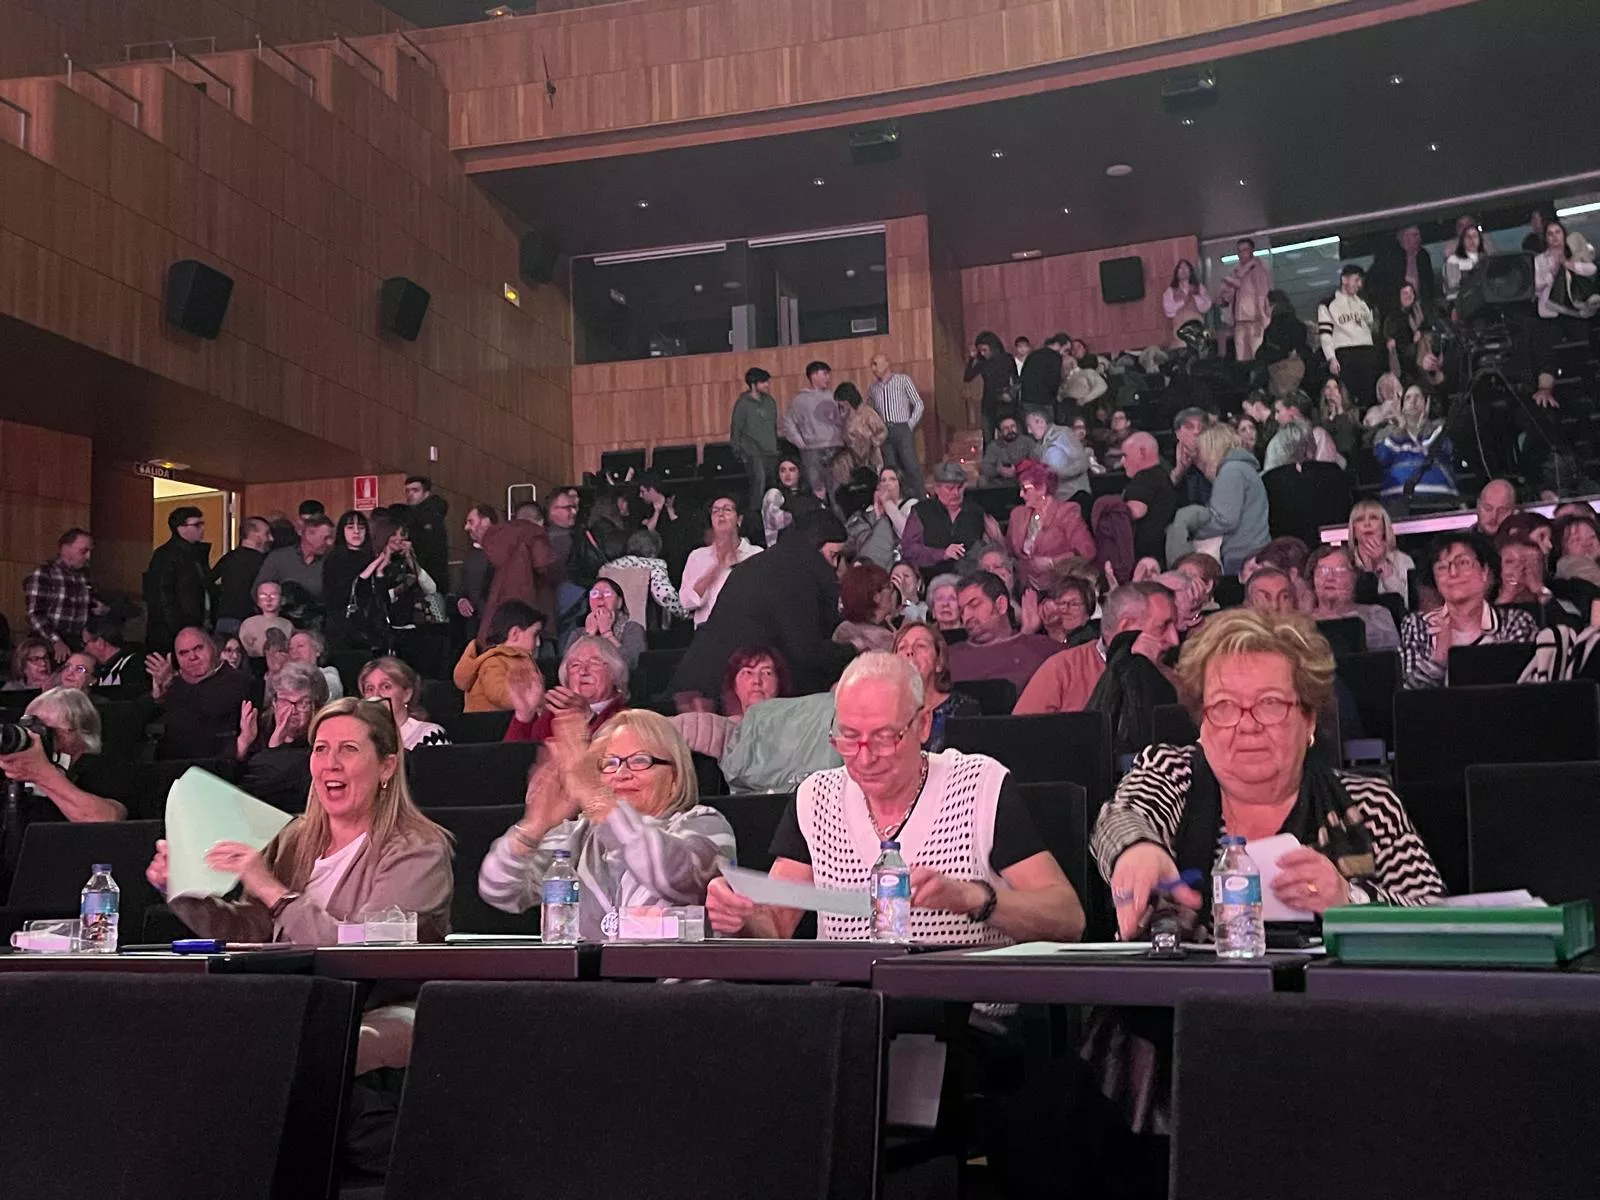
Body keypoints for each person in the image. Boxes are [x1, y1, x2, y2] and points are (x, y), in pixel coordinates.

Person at [1095, 607, 1444, 946]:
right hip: (1181, 998)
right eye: (1224, 706)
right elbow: (1118, 818)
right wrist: (1137, 849)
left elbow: (1436, 923)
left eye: (1271, 704)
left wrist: (1349, 900)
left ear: (1308, 720)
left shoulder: (1369, 803)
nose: (1247, 725)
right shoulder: (1172, 771)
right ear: (1202, 721)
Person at [152, 698, 453, 1064]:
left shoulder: (417, 848)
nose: (331, 764)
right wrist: (182, 889)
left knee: (303, 1044)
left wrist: (276, 894)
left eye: (349, 749)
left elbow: (368, 953)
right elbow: (250, 933)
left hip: (375, 1007)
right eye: (321, 749)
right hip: (287, 998)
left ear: (386, 766)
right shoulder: (294, 838)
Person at [706, 652, 1085, 943]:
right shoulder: (816, 798)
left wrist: (972, 898)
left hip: (959, 1012)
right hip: (848, 1013)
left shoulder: (977, 786)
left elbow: (1068, 917)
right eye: (849, 737)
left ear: (922, 725)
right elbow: (775, 923)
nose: (865, 757)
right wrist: (740, 917)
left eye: (885, 737)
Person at [480, 706, 735, 939]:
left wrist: (596, 799)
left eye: (639, 761)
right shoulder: (577, 834)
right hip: (588, 987)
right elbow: (501, 893)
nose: (622, 774)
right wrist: (534, 826)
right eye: (610, 764)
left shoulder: (705, 824)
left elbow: (672, 876)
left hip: (675, 986)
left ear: (675, 777)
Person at [670, 509, 855, 706]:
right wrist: (853, 650)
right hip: (722, 696)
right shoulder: (795, 576)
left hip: (699, 682)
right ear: (814, 546)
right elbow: (806, 651)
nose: (834, 565)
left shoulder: (763, 564)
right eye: (832, 555)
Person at [1399, 531, 1539, 688]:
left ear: (1485, 572)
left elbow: (1521, 684)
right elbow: (1410, 695)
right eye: (1442, 567)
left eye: (1463, 563)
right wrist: (1440, 654)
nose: (1452, 573)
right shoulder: (1417, 624)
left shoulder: (1515, 622)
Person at [1015, 582, 1178, 715]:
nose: (1174, 640)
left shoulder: (1173, 678)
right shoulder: (1063, 670)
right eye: (1162, 627)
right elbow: (1020, 739)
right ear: (1127, 627)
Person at [0, 687, 125, 825]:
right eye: (29, 728)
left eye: (47, 730)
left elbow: (107, 821)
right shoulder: (13, 769)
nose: (36, 737)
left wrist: (42, 774)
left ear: (82, 734)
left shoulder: (103, 769)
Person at [147, 627, 255, 760]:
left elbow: (208, 706)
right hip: (172, 766)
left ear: (213, 648)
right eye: (183, 653)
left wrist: (172, 685)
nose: (192, 657)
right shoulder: (175, 684)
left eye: (198, 648)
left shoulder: (238, 681)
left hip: (217, 765)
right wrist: (158, 695)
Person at [947, 572, 1063, 695]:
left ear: (1001, 605)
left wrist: (1058, 633)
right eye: (961, 611)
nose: (966, 617)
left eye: (974, 605)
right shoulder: (949, 657)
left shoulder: (1043, 649)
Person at [233, 660, 327, 812]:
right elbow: (235, 783)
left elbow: (263, 787)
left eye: (302, 703)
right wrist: (243, 743)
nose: (292, 711)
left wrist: (275, 747)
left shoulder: (319, 743)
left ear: (317, 707)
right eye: (284, 701)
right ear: (274, 703)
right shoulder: (259, 728)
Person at [506, 635, 629, 743]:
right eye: (575, 665)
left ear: (615, 673)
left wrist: (589, 719)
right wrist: (524, 716)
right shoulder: (550, 716)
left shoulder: (627, 718)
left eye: (594, 663)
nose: (583, 671)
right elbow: (513, 764)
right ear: (566, 679)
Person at [351, 514, 439, 660]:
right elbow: (375, 597)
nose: (399, 539)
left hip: (411, 629)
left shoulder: (406, 562)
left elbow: (431, 589)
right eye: (394, 534)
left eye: (402, 535)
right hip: (382, 633)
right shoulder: (370, 561)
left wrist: (411, 560)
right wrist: (384, 563)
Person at [1192, 423, 1270, 574]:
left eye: (1201, 451)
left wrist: (1193, 529)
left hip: (1242, 555)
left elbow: (1225, 519)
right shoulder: (1244, 468)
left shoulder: (1231, 471)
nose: (1199, 457)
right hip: (1255, 549)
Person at [1006, 460, 1095, 592]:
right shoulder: (1017, 515)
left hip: (1058, 588)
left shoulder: (1066, 513)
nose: (1021, 494)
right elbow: (1010, 553)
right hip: (1023, 588)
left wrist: (1052, 562)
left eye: (1025, 489)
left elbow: (1087, 552)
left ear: (1042, 488)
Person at [1261, 422, 1353, 549]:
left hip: (1287, 551)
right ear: (1311, 445)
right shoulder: (1335, 473)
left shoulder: (1270, 480)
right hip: (1333, 546)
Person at [891, 621, 980, 752]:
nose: (909, 651)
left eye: (920, 646)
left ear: (939, 662)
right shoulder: (884, 710)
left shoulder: (964, 710)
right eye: (902, 647)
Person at [900, 462, 1003, 573]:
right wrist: (942, 554)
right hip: (932, 577)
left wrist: (997, 538)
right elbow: (908, 549)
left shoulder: (975, 512)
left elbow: (990, 549)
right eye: (949, 488)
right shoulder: (921, 511)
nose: (955, 493)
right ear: (936, 488)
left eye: (960, 487)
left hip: (969, 577)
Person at [477, 504, 557, 645]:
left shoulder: (497, 538)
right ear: (540, 522)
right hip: (530, 611)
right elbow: (545, 566)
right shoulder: (535, 535)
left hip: (497, 613)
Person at [680, 494, 762, 628]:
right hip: (708, 631)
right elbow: (686, 602)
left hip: (747, 629)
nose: (720, 514)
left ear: (739, 519)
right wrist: (717, 568)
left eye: (727, 509)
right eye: (715, 511)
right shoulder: (697, 556)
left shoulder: (756, 554)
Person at [24, 528, 102, 661]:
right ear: (66, 549)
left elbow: (87, 608)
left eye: (89, 551)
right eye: (83, 551)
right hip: (48, 643)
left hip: (77, 642)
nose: (88, 557)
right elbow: (35, 614)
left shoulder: (85, 576)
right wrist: (56, 641)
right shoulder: (45, 573)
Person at [1375, 385, 1457, 510]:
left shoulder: (1439, 427)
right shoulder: (1386, 433)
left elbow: (1444, 450)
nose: (1413, 401)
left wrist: (1425, 429)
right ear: (1401, 407)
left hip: (1439, 498)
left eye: (1418, 397)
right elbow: (1382, 457)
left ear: (1427, 403)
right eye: (1408, 398)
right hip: (1396, 500)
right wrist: (1400, 430)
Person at [1306, 545, 1401, 651]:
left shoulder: (1376, 615)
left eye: (1340, 571)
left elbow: (1390, 658)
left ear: (1355, 577)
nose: (1330, 577)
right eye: (1322, 571)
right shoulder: (1300, 622)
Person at [454, 600, 542, 713]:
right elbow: (498, 693)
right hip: (489, 727)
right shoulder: (493, 662)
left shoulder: (523, 659)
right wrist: (528, 698)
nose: (538, 643)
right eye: (535, 635)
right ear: (515, 633)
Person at [144, 506, 210, 653]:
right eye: (197, 525)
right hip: (173, 632)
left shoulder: (195, 554)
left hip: (193, 625)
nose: (202, 529)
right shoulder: (166, 555)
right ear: (181, 528)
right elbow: (162, 596)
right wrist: (178, 629)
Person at [1317, 264, 1380, 406]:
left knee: (1369, 394)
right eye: (1356, 280)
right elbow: (1325, 335)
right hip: (1345, 353)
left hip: (1367, 351)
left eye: (1360, 281)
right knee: (1348, 395)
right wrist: (1331, 358)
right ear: (1344, 279)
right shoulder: (1328, 304)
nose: (1359, 284)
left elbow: (1371, 326)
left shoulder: (1363, 303)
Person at [359, 656, 450, 751]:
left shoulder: (430, 734)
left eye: (386, 686)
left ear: (407, 694)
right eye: (370, 688)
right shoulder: (358, 737)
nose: (376, 695)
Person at [730, 366, 781, 535]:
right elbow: (736, 429)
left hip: (771, 451)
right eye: (763, 382)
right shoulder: (743, 404)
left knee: (772, 487)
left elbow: (773, 426)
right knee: (758, 484)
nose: (767, 385)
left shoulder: (770, 401)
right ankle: (755, 524)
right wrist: (738, 451)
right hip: (752, 451)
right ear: (753, 384)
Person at [867, 354, 926, 499]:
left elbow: (918, 403)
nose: (873, 368)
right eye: (872, 365)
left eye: (876, 364)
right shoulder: (873, 388)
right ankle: (899, 500)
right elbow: (870, 410)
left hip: (902, 427)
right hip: (884, 430)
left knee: (911, 466)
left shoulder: (902, 380)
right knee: (892, 469)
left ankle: (921, 500)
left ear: (887, 363)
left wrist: (909, 425)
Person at [782, 360, 844, 498]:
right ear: (814, 375)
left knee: (838, 490)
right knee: (817, 489)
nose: (828, 378)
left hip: (836, 447)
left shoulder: (834, 396)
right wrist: (800, 442)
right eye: (825, 374)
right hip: (812, 449)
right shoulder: (799, 400)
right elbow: (788, 423)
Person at [606, 528, 689, 626]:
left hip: (609, 621)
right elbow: (664, 595)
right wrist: (683, 612)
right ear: (654, 551)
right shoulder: (653, 566)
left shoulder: (610, 566)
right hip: (639, 625)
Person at [253, 513, 335, 612]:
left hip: (319, 621)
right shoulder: (279, 557)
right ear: (309, 534)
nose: (330, 543)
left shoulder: (333, 560)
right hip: (281, 621)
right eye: (326, 538)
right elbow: (257, 592)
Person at [1118, 432, 1177, 569]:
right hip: (1159, 555)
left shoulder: (1145, 477)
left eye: (1125, 455)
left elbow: (1136, 511)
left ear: (1142, 452)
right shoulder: (1162, 475)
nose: (1122, 462)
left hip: (1145, 559)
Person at [207, 517, 272, 639]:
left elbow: (209, 583)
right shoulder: (264, 562)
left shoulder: (228, 558)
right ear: (254, 535)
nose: (270, 538)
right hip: (251, 621)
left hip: (223, 619)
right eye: (266, 534)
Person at [563, 577, 646, 671]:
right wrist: (588, 635)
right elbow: (566, 669)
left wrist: (607, 633)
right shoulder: (578, 634)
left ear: (619, 602)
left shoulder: (632, 628)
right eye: (594, 594)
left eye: (607, 593)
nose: (600, 597)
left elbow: (632, 664)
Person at [321, 511, 374, 650]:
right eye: (350, 527)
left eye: (361, 528)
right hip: (342, 626)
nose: (356, 532)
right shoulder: (334, 559)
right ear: (342, 531)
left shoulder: (372, 557)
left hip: (371, 625)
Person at [1347, 499, 1419, 601]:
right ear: (1353, 529)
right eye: (1359, 519)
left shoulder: (1403, 560)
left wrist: (1381, 564)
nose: (1367, 524)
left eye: (1373, 518)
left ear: (1384, 525)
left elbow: (1406, 601)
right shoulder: (1345, 562)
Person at [849, 467, 918, 571]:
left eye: (892, 479)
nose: (887, 484)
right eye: (883, 480)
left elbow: (907, 533)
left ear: (900, 484)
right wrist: (878, 510)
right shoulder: (869, 511)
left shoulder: (911, 505)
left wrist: (887, 503)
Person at [1219, 238, 1272, 362]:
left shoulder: (1257, 270)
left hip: (1254, 319)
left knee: (1255, 355)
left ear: (1251, 251)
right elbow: (1228, 296)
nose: (1241, 253)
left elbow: (1261, 294)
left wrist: (1263, 317)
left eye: (1245, 250)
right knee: (1241, 357)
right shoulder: (1236, 271)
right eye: (1239, 250)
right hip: (1239, 319)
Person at [1368, 224, 1438, 316]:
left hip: (1421, 306)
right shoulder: (1389, 256)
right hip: (1396, 309)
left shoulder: (1423, 256)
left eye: (1419, 235)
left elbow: (1429, 282)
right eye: (1415, 235)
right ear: (1405, 238)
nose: (1419, 238)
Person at [1023, 409, 1090, 502]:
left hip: (1074, 495)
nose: (1029, 431)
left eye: (1030, 426)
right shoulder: (1038, 446)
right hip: (1055, 500)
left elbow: (1082, 463)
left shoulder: (1063, 434)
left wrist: (1056, 475)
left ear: (1041, 422)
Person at [965, 331, 1018, 443]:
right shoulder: (982, 362)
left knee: (1008, 437)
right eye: (980, 351)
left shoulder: (1007, 359)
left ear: (992, 347)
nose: (983, 354)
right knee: (987, 439)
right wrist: (971, 359)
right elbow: (967, 377)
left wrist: (1011, 395)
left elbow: (1016, 380)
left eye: (985, 350)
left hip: (1004, 403)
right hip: (988, 403)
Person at [832, 562, 897, 653]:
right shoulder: (847, 633)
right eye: (888, 586)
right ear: (876, 596)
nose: (892, 591)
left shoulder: (844, 629)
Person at [1259, 290, 1311, 398]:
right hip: (1300, 370)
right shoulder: (1299, 324)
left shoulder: (1274, 327)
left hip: (1281, 372)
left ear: (1272, 305)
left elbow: (1271, 351)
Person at [403, 475, 449, 591]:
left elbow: (430, 550)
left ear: (426, 493)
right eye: (407, 491)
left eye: (415, 490)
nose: (410, 494)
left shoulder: (431, 517)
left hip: (430, 578)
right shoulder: (412, 516)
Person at [835, 379, 887, 478]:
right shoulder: (844, 416)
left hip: (871, 457)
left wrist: (873, 443)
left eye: (841, 400)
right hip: (852, 458)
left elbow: (882, 431)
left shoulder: (867, 412)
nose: (840, 403)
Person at [457, 505, 497, 630]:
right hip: (474, 624)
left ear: (485, 522)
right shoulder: (470, 554)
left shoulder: (504, 550)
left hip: (497, 623)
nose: (466, 527)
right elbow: (462, 584)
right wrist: (461, 599)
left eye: (471, 522)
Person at [81, 616, 146, 691]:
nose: (84, 650)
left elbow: (120, 693)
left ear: (100, 643)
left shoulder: (134, 664)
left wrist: (91, 683)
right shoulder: (102, 667)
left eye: (85, 644)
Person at [760, 455, 809, 551]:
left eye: (792, 470)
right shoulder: (774, 493)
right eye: (782, 470)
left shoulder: (807, 496)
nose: (787, 474)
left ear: (799, 472)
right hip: (779, 550)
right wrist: (800, 514)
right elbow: (773, 520)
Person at [1161, 259, 1213, 347]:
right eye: (1181, 268)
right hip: (1180, 326)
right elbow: (1168, 311)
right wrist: (1182, 302)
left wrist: (1195, 295)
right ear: (1176, 272)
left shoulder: (1198, 287)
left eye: (1186, 268)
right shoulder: (1170, 290)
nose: (1184, 271)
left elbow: (1206, 306)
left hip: (1197, 325)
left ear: (1190, 271)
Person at [1037, 574, 1098, 647]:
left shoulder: (1093, 639)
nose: (1065, 609)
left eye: (1074, 604)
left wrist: (1058, 635)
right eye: (1061, 603)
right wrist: (1028, 629)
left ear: (1088, 612)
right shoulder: (1041, 633)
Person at [1170, 407, 1212, 507]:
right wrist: (1179, 471)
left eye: (1202, 428)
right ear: (1178, 433)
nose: (1196, 432)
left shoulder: (1216, 455)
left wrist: (1198, 460)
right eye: (1190, 427)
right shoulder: (1167, 459)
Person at [239, 581, 294, 659]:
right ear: (258, 601)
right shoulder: (249, 624)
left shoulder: (288, 624)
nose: (269, 599)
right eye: (263, 595)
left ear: (282, 599)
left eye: (273, 595)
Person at [1019, 332, 1069, 414]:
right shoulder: (1055, 357)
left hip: (1027, 399)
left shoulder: (1033, 355)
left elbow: (1023, 375)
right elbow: (1054, 381)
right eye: (1066, 350)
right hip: (1045, 401)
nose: (1065, 354)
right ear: (1058, 345)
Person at [288, 629, 344, 701]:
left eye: (300, 646)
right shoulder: (283, 678)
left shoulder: (329, 673)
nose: (294, 652)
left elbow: (327, 693)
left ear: (317, 650)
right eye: (290, 648)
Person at [1317, 378, 1362, 464]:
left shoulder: (1352, 411)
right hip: (1326, 456)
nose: (1332, 391)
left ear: (1341, 391)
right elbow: (1322, 434)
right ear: (1324, 392)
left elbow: (1346, 432)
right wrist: (1331, 416)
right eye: (1328, 387)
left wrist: (1339, 409)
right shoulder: (1318, 414)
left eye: (1335, 387)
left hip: (1346, 454)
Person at [1444, 223, 1486, 301]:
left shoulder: (1485, 259)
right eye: (1468, 236)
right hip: (1459, 302)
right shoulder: (1453, 260)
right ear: (1462, 240)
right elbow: (1452, 286)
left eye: (1475, 236)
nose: (1471, 239)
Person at [927, 573, 965, 642]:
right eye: (939, 599)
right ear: (933, 610)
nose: (945, 604)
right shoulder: (925, 637)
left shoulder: (973, 635)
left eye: (952, 598)